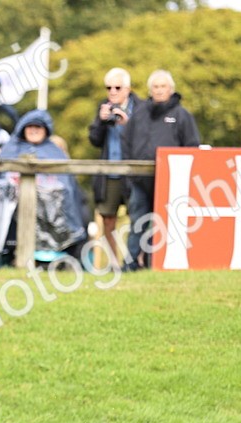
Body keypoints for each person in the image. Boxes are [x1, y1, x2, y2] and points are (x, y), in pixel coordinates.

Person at [126, 69, 200, 269]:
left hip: (170, 182)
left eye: (163, 86)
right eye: (155, 87)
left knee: (164, 225)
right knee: (138, 222)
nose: (159, 90)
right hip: (140, 180)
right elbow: (127, 141)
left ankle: (155, 264)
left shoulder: (182, 115)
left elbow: (193, 146)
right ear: (150, 90)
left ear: (171, 89)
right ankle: (131, 263)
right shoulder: (139, 114)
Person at [0, 109, 90, 265]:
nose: (34, 130)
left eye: (38, 127)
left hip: (52, 210)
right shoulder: (10, 148)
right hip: (14, 206)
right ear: (23, 129)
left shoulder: (55, 152)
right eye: (30, 127)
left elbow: (67, 185)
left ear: (45, 130)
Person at [87, 67, 143, 271]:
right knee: (107, 218)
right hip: (109, 173)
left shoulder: (141, 108)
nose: (112, 91)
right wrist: (101, 122)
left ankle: (136, 260)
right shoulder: (103, 107)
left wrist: (128, 124)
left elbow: (144, 140)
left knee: (137, 216)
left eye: (117, 87)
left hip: (133, 173)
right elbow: (94, 139)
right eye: (108, 87)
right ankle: (113, 262)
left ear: (127, 89)